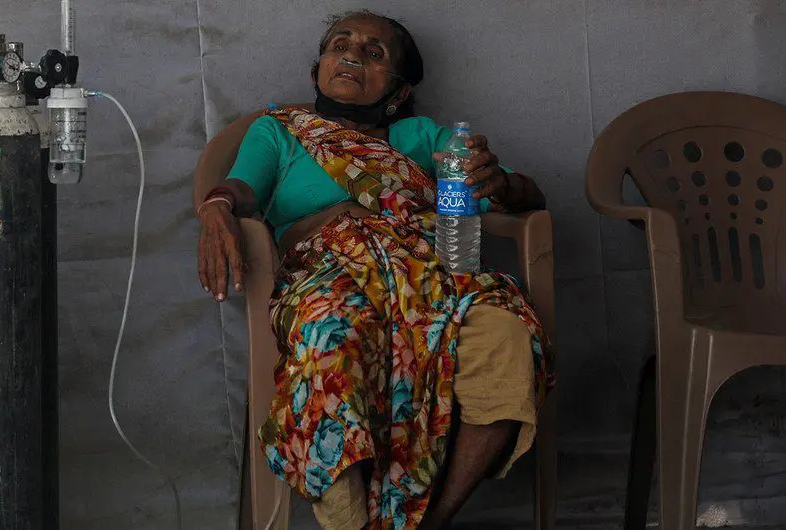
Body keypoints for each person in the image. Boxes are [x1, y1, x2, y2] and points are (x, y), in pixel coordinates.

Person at [192, 10, 554, 529]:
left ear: (399, 92)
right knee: (328, 340)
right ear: (318, 66)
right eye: (340, 44)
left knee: (506, 334)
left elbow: (525, 194)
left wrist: (497, 180)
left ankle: (432, 522)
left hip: (429, 277)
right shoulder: (277, 132)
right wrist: (217, 208)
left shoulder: (421, 135)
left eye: (373, 52)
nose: (351, 54)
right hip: (327, 275)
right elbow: (243, 187)